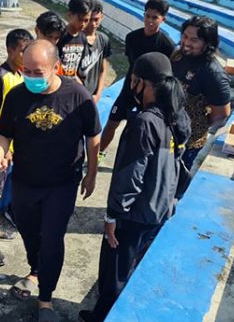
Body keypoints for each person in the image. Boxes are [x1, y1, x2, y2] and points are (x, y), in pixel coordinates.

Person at [0, 39, 101, 322]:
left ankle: (46, 299)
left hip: (61, 183)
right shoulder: (16, 95)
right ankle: (36, 269)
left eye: (38, 72)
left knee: (52, 238)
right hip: (26, 182)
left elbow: (93, 137)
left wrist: (91, 173)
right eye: (26, 70)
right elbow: (4, 132)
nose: (31, 77)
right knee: (29, 232)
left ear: (56, 67)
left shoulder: (77, 95)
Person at [79, 53, 191, 322]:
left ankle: (103, 317)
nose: (131, 85)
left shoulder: (144, 123)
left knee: (114, 272)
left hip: (134, 214)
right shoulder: (177, 116)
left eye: (133, 80)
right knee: (130, 268)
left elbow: (131, 177)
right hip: (159, 209)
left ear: (142, 83)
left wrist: (112, 216)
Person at [0, 28, 34, 266]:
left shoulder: (21, 75)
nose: (25, 56)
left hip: (14, 147)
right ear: (11, 50)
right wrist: (5, 146)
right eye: (22, 51)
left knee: (0, 192)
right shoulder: (0, 77)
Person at [100, 0, 176, 153]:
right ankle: (99, 153)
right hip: (129, 89)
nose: (149, 21)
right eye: (147, 16)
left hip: (151, 95)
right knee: (112, 122)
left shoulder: (167, 45)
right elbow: (131, 63)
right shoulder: (132, 38)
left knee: (142, 128)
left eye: (154, 17)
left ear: (163, 19)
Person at [172, 15, 231, 171]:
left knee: (174, 183)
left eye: (194, 40)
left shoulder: (213, 73)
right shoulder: (178, 55)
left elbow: (221, 114)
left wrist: (195, 123)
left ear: (207, 43)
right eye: (185, 37)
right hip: (167, 132)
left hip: (188, 142)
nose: (186, 43)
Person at [79, 0, 112, 103]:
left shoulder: (104, 40)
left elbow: (103, 69)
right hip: (76, 94)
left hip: (93, 96)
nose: (93, 24)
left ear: (102, 17)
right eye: (90, 20)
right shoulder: (75, 40)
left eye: (96, 19)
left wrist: (98, 94)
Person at [57, 0, 92, 80]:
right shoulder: (59, 36)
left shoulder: (83, 38)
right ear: (70, 15)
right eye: (80, 19)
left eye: (86, 20)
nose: (83, 24)